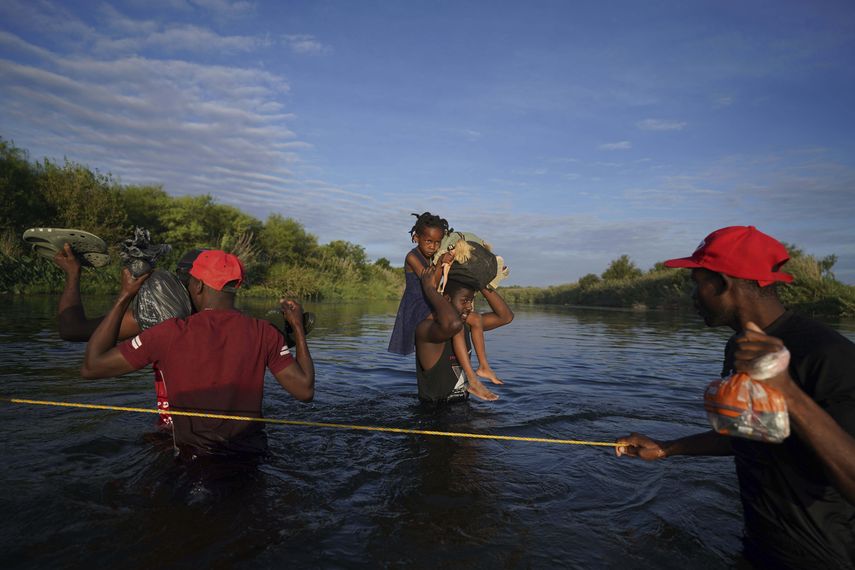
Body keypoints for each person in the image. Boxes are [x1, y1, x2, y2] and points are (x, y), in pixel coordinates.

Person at [614, 225, 855, 569]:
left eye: (697, 284)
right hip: (759, 549)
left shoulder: (828, 354)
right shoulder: (740, 346)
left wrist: (786, 389)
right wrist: (667, 448)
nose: (693, 297)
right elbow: (755, 433)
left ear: (723, 284)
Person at [80, 250, 315, 458]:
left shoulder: (169, 333)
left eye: (190, 281)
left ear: (198, 285)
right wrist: (297, 328)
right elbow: (304, 391)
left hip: (194, 462)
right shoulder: (265, 332)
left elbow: (92, 366)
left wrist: (125, 296)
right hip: (251, 461)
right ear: (237, 287)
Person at [53, 242, 194, 428]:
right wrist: (73, 273)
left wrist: (125, 295)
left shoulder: (163, 321)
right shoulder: (160, 318)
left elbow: (73, 332)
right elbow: (72, 330)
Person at [388, 212, 503, 400]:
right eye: (428, 241)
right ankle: (472, 381)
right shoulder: (412, 257)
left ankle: (484, 366)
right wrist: (441, 263)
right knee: (456, 324)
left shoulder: (433, 255)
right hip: (419, 306)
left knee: (474, 319)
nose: (433, 247)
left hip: (433, 303)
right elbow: (430, 284)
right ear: (416, 237)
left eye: (437, 242)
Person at [414, 264, 513, 404]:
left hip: (462, 409)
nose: (469, 306)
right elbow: (452, 324)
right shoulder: (426, 330)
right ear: (446, 299)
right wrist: (429, 289)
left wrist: (480, 283)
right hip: (434, 417)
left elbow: (505, 317)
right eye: (465, 300)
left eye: (471, 300)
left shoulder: (468, 324)